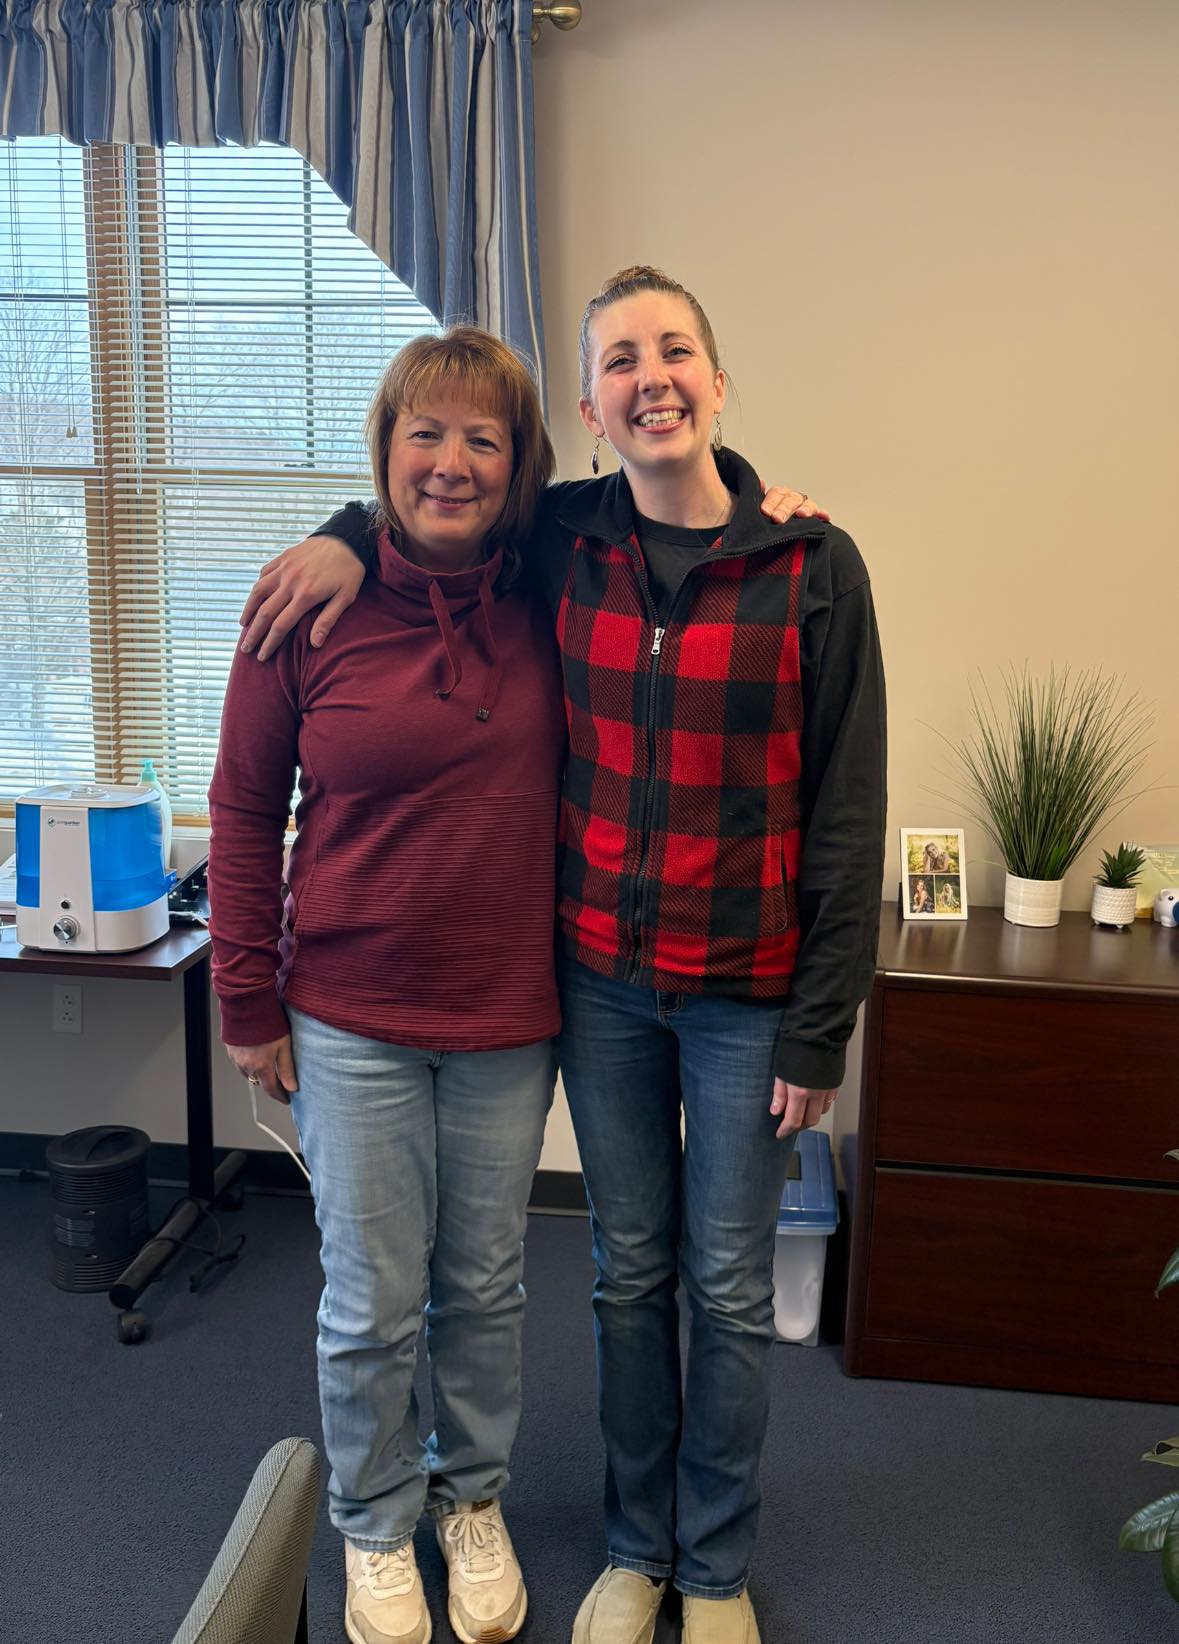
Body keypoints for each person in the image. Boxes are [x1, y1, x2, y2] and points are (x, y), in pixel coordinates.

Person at [240, 266, 886, 1644]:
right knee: (608, 1278)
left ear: (718, 380)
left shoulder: (807, 565)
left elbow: (846, 810)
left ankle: (708, 1568)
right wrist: (344, 532)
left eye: (675, 351)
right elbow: (424, 510)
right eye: (620, 360)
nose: (652, 379)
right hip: (590, 984)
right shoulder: (561, 546)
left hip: (723, 995)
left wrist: (823, 1022)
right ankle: (607, 1547)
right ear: (590, 410)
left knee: (713, 1289)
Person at [208, 329, 571, 1644]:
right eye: (426, 433)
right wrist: (247, 1000)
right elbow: (243, 811)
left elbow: (676, 508)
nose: (452, 463)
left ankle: (470, 1500)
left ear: (519, 465)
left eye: (483, 437)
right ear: (385, 452)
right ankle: (373, 1520)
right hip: (348, 1016)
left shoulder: (553, 595)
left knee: (483, 1288)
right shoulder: (306, 610)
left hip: (505, 1018)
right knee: (369, 1300)